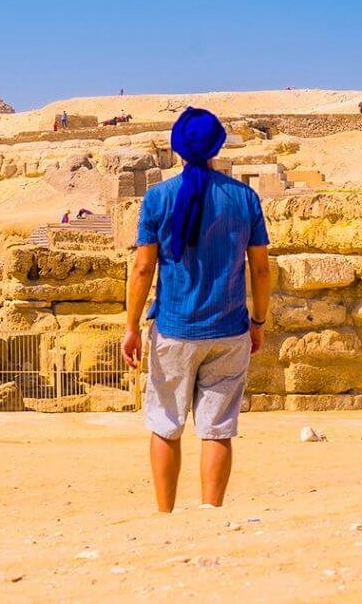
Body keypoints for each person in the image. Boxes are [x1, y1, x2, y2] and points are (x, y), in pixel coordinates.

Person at [122, 108, 272, 513]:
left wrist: (132, 326)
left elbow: (142, 268)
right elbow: (259, 269)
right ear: (216, 146)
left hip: (173, 328)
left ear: (177, 148)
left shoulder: (157, 199)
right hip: (228, 329)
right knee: (217, 428)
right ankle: (210, 515)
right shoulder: (244, 198)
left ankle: (165, 514)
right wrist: (258, 322)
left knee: (165, 424)